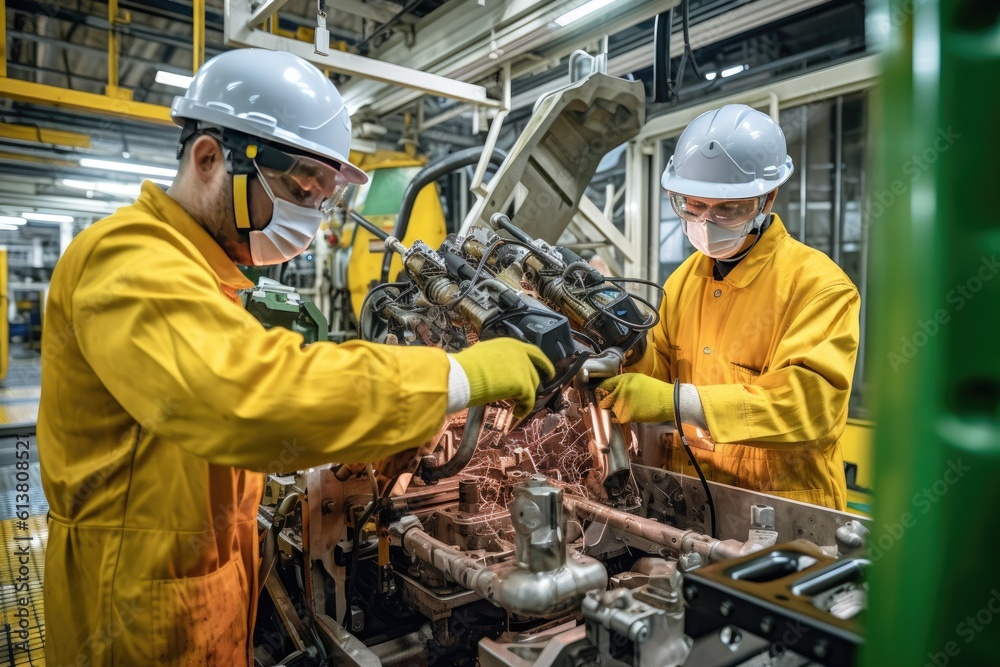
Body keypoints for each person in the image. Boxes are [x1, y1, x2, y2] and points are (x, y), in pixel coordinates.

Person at [38, 48, 553, 666]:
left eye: (322, 196)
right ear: (210, 159)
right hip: (130, 623)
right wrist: (458, 375)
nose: (309, 214)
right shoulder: (126, 259)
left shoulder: (206, 276)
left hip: (196, 603)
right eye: (298, 188)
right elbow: (251, 399)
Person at [598, 104, 860, 511]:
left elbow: (808, 407)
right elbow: (659, 375)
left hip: (782, 509)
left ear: (766, 198)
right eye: (692, 205)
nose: (706, 221)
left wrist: (675, 403)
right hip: (689, 500)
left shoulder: (818, 285)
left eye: (727, 209)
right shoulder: (683, 281)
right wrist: (632, 349)